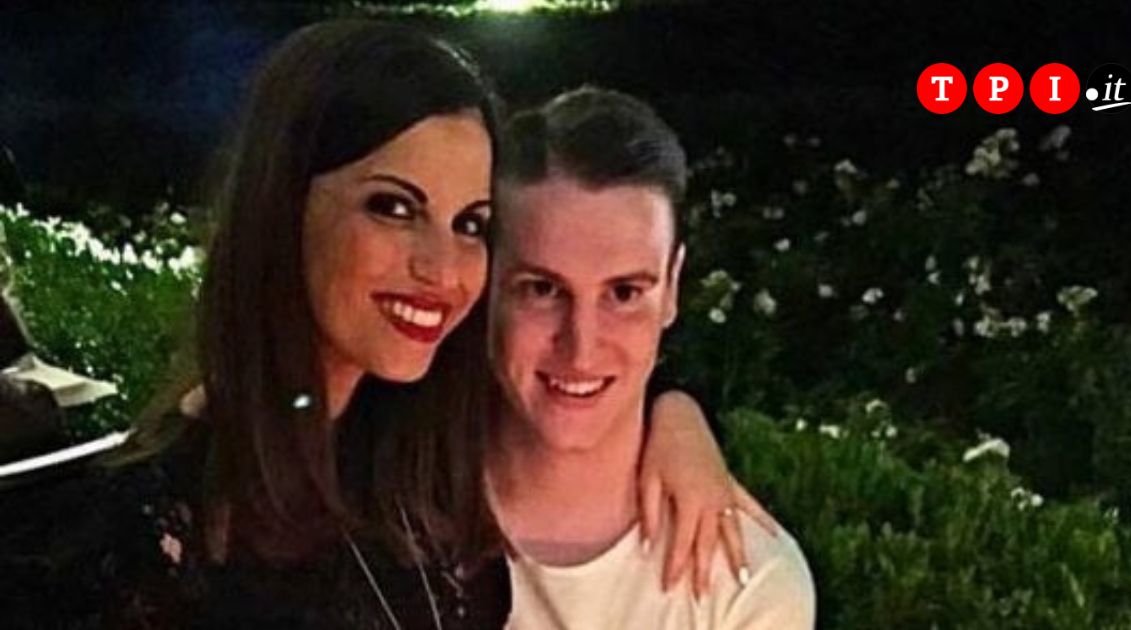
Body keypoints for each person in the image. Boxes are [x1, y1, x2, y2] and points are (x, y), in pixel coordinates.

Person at [0, 21, 757, 629]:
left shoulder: (417, 468)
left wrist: (680, 416)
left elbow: (579, 386)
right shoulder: (147, 542)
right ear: (285, 203)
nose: (442, 267)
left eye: (471, 224)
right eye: (394, 207)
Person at [486, 87, 817, 628]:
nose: (581, 347)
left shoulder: (743, 583)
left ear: (672, 287)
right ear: (486, 281)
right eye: (542, 289)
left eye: (623, 293)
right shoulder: (394, 517)